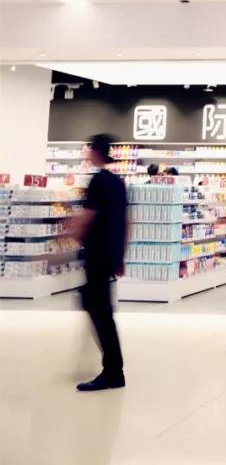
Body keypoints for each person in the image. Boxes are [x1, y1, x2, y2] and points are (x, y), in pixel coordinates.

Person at [64, 133, 129, 391]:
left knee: (100, 313)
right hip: (110, 255)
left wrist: (71, 239)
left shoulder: (98, 181)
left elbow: (87, 217)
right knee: (101, 310)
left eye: (89, 149)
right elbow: (127, 222)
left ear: (95, 152)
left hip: (97, 255)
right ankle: (113, 369)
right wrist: (121, 256)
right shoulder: (118, 183)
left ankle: (113, 372)